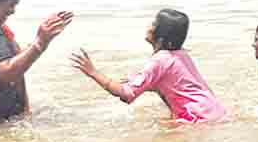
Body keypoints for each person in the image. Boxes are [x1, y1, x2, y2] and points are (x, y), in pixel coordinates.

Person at [70, 9, 227, 124]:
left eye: (154, 24)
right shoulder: (181, 54)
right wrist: (147, 84)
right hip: (215, 111)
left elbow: (127, 94)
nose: (149, 26)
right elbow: (178, 87)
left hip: (200, 119)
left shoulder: (159, 60)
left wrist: (93, 72)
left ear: (161, 35)